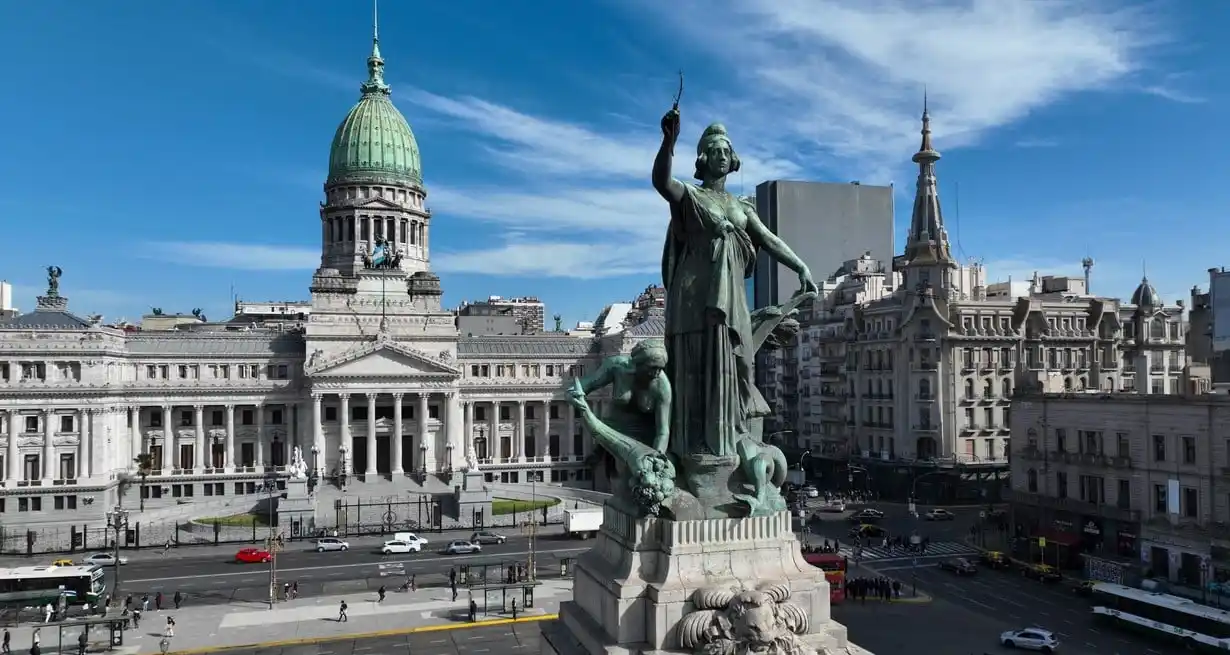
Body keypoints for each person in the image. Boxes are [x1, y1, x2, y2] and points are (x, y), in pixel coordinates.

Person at [653, 110, 816, 459]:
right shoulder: (691, 196)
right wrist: (669, 142)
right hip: (695, 294)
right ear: (703, 158)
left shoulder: (741, 206)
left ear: (733, 159)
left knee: (740, 364)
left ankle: (730, 439)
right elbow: (662, 181)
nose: (722, 157)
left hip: (732, 298)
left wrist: (800, 265)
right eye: (715, 151)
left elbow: (768, 239)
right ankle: (692, 447)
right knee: (694, 370)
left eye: (726, 151)